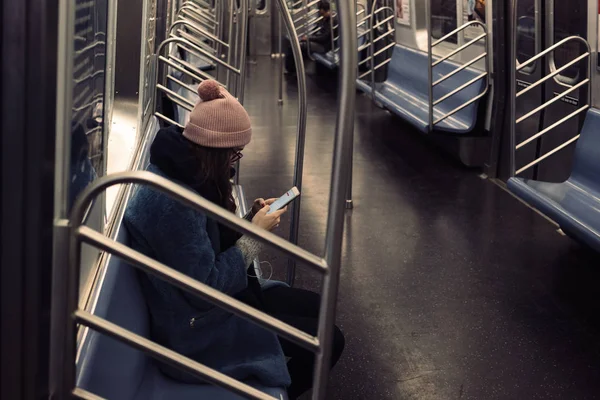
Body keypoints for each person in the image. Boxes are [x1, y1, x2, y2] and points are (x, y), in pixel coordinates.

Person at [124, 79, 345, 399]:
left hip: (213, 306)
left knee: (319, 307)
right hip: (196, 333)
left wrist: (245, 223)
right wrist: (254, 235)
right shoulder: (170, 204)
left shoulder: (186, 172)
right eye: (234, 153)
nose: (234, 161)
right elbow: (206, 288)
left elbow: (201, 246)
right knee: (328, 339)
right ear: (216, 150)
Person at [284, 1, 335, 74]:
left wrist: (309, 38)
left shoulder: (331, 21)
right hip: (318, 42)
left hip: (324, 46)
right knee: (299, 45)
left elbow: (324, 38)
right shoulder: (324, 19)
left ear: (322, 10)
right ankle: (295, 69)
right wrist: (308, 37)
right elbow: (316, 31)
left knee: (296, 47)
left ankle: (291, 70)